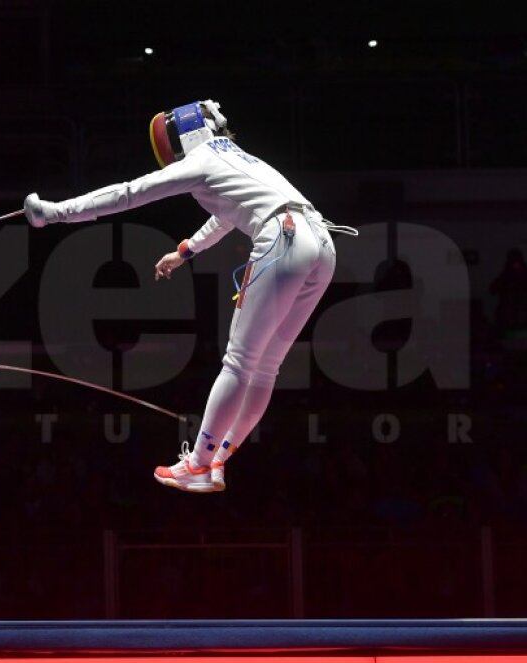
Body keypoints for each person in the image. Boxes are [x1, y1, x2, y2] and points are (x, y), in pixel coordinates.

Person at [24, 99, 353, 494]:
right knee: (265, 368)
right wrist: (185, 252)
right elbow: (229, 214)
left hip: (283, 240)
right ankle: (217, 462)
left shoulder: (200, 162)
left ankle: (198, 463)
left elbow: (129, 193)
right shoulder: (239, 158)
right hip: (321, 241)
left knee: (239, 363)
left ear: (181, 138)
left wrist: (57, 212)